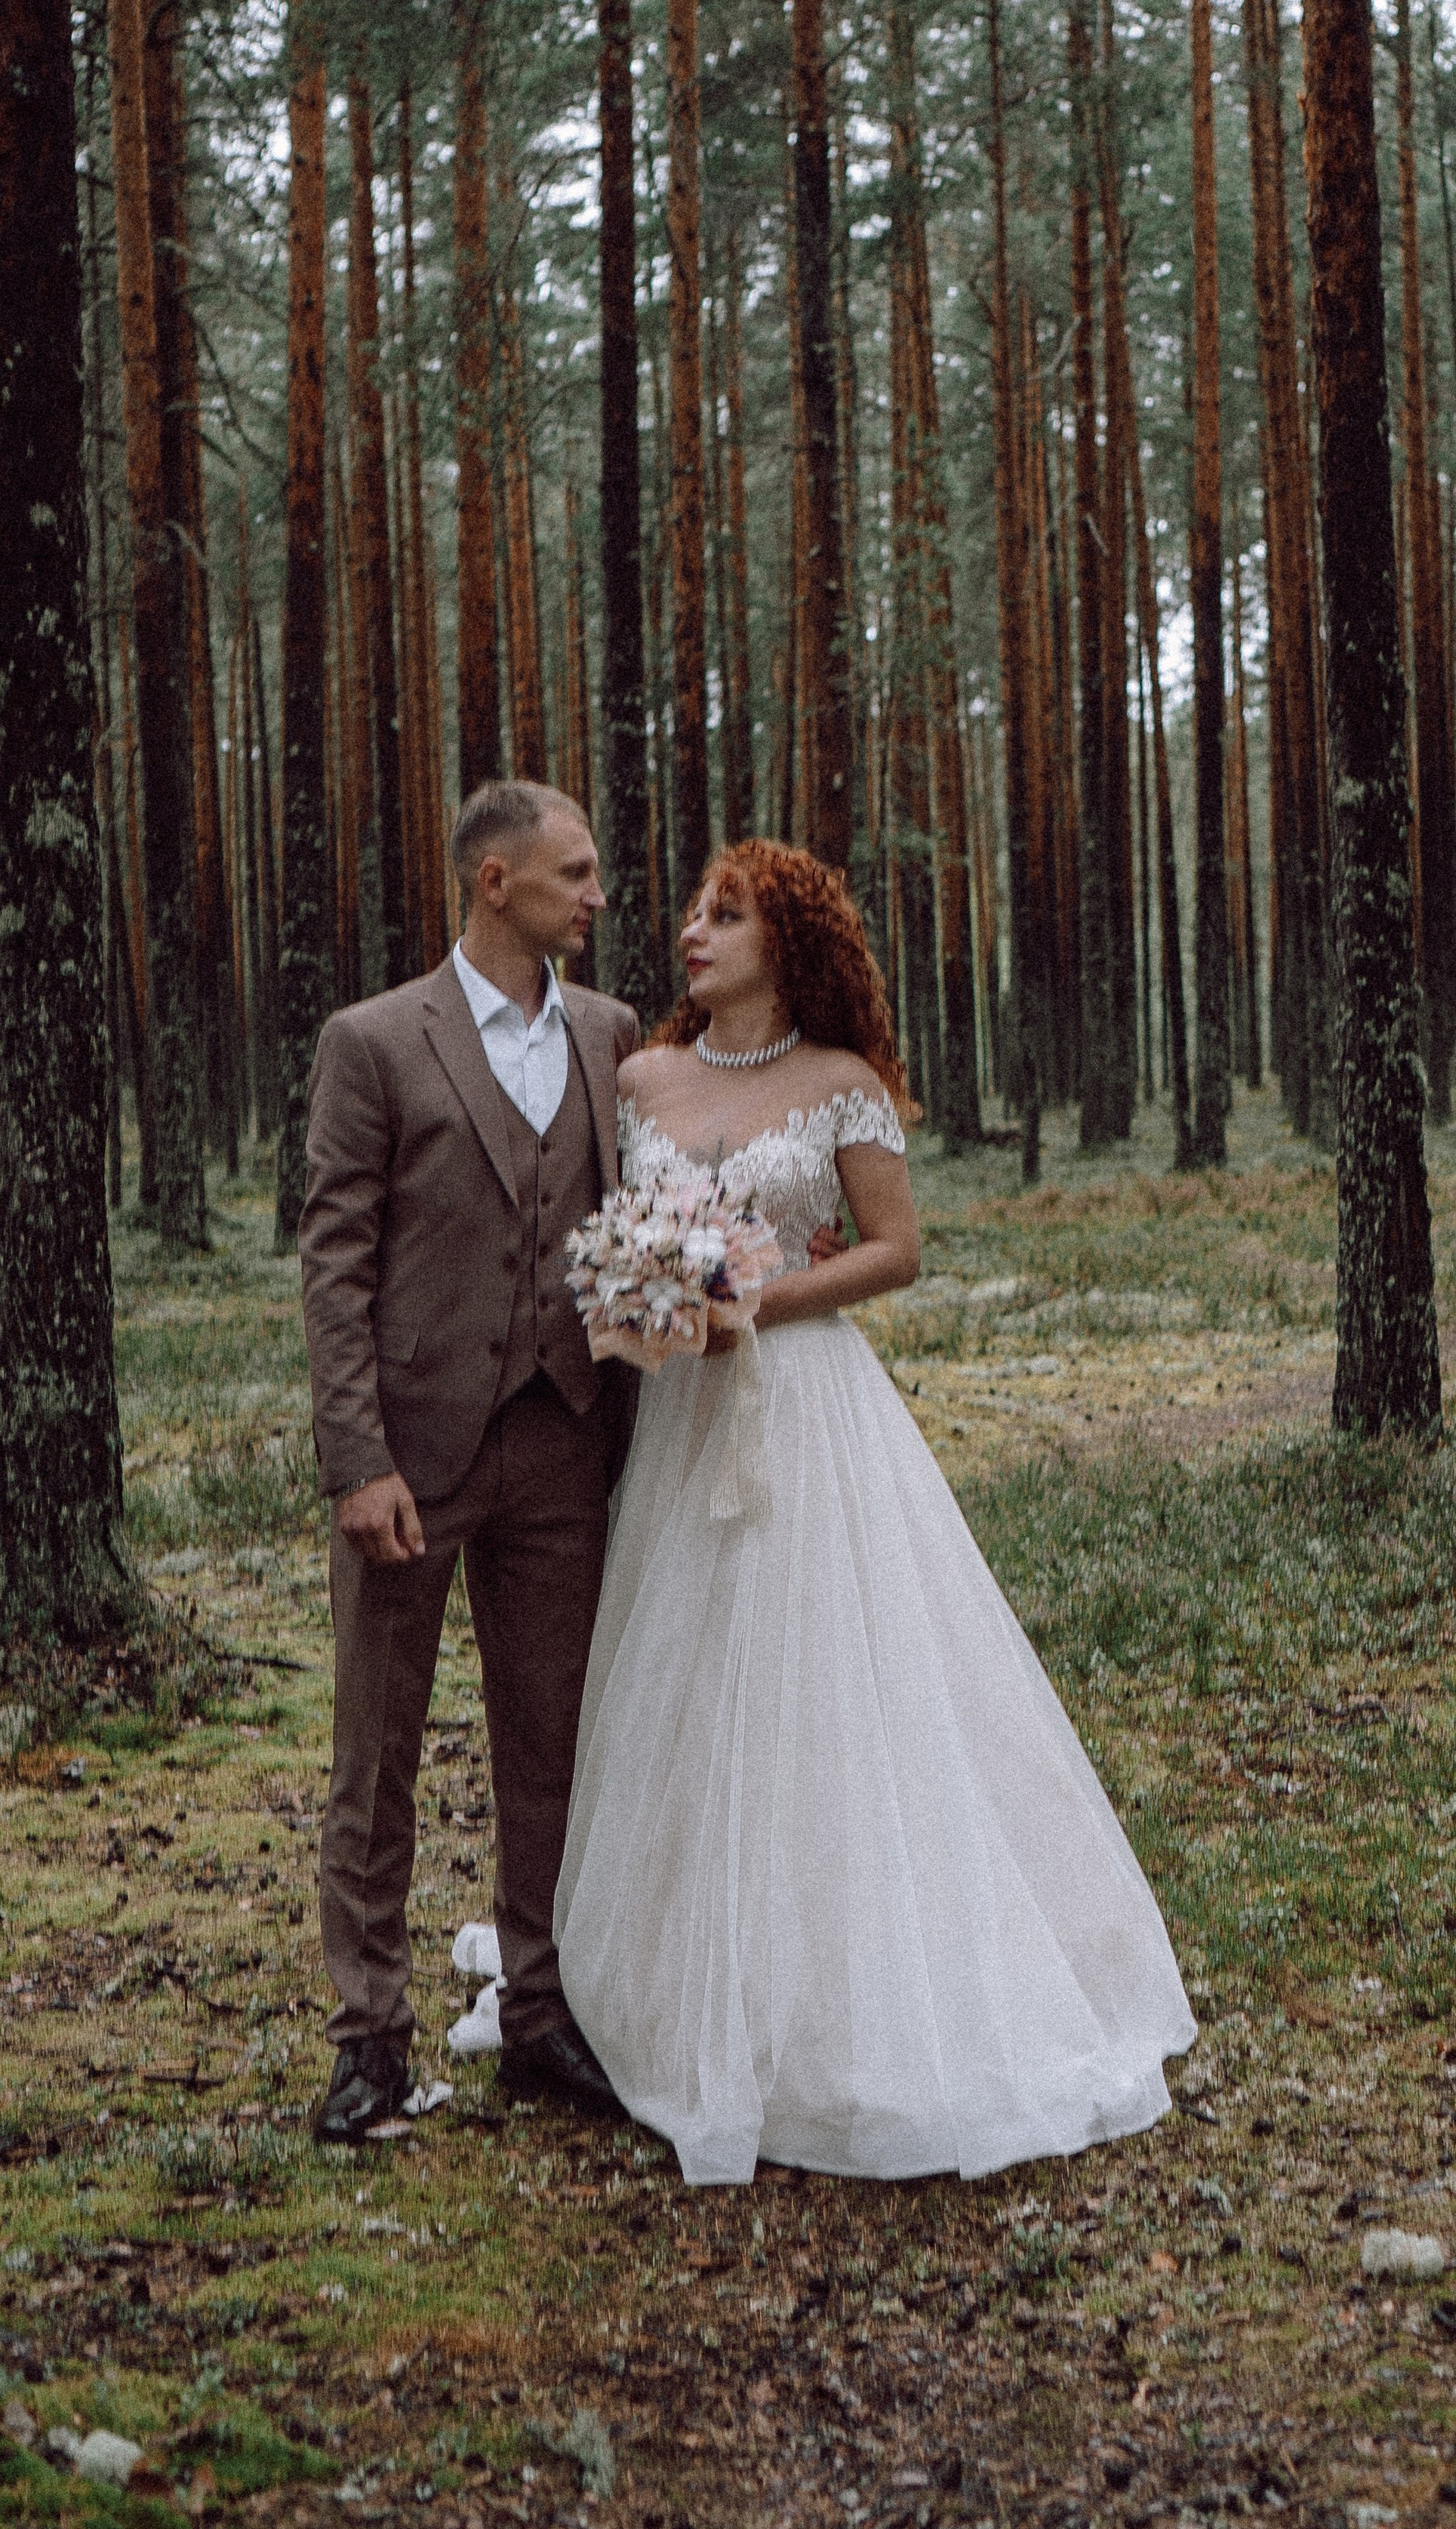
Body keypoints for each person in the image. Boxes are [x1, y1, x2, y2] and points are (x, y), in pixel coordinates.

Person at [552, 838, 1196, 2183]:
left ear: (787, 943)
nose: (694, 931)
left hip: (807, 1407)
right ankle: (671, 1977)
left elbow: (898, 1251)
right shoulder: (641, 1079)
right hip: (679, 1421)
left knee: (828, 1677)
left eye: (728, 914)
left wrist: (754, 1301)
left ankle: (846, 1988)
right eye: (694, 911)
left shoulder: (844, 1085)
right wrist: (653, 1293)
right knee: (682, 1676)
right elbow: (615, 1229)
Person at [297, 782, 642, 2141]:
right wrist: (356, 1459)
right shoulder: (375, 1042)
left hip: (564, 1444)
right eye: (575, 873)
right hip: (412, 1461)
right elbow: (335, 1265)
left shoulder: (612, 1034)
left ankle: (542, 2014)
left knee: (552, 1746)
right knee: (375, 1754)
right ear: (495, 882)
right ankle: (368, 2041)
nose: (597, 896)